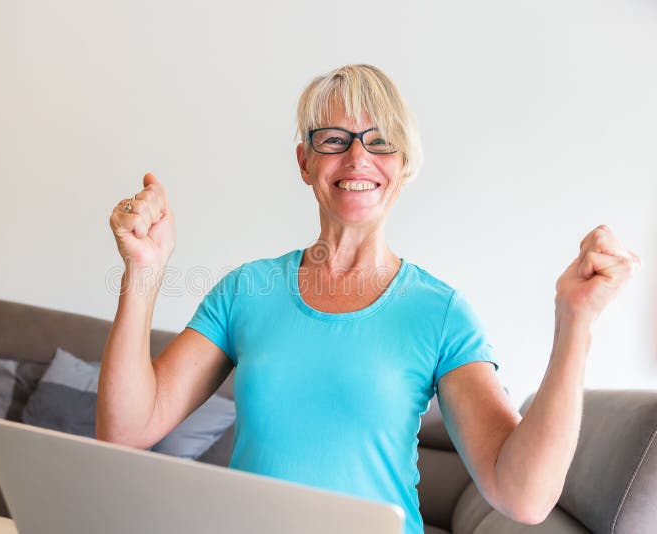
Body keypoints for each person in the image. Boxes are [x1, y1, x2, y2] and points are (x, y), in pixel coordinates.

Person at [97, 64, 640, 533]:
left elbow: (522, 495)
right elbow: (125, 430)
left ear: (402, 168)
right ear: (305, 162)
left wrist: (576, 321)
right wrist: (143, 272)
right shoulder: (246, 289)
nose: (357, 156)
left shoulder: (440, 313)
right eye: (333, 139)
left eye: (380, 140)